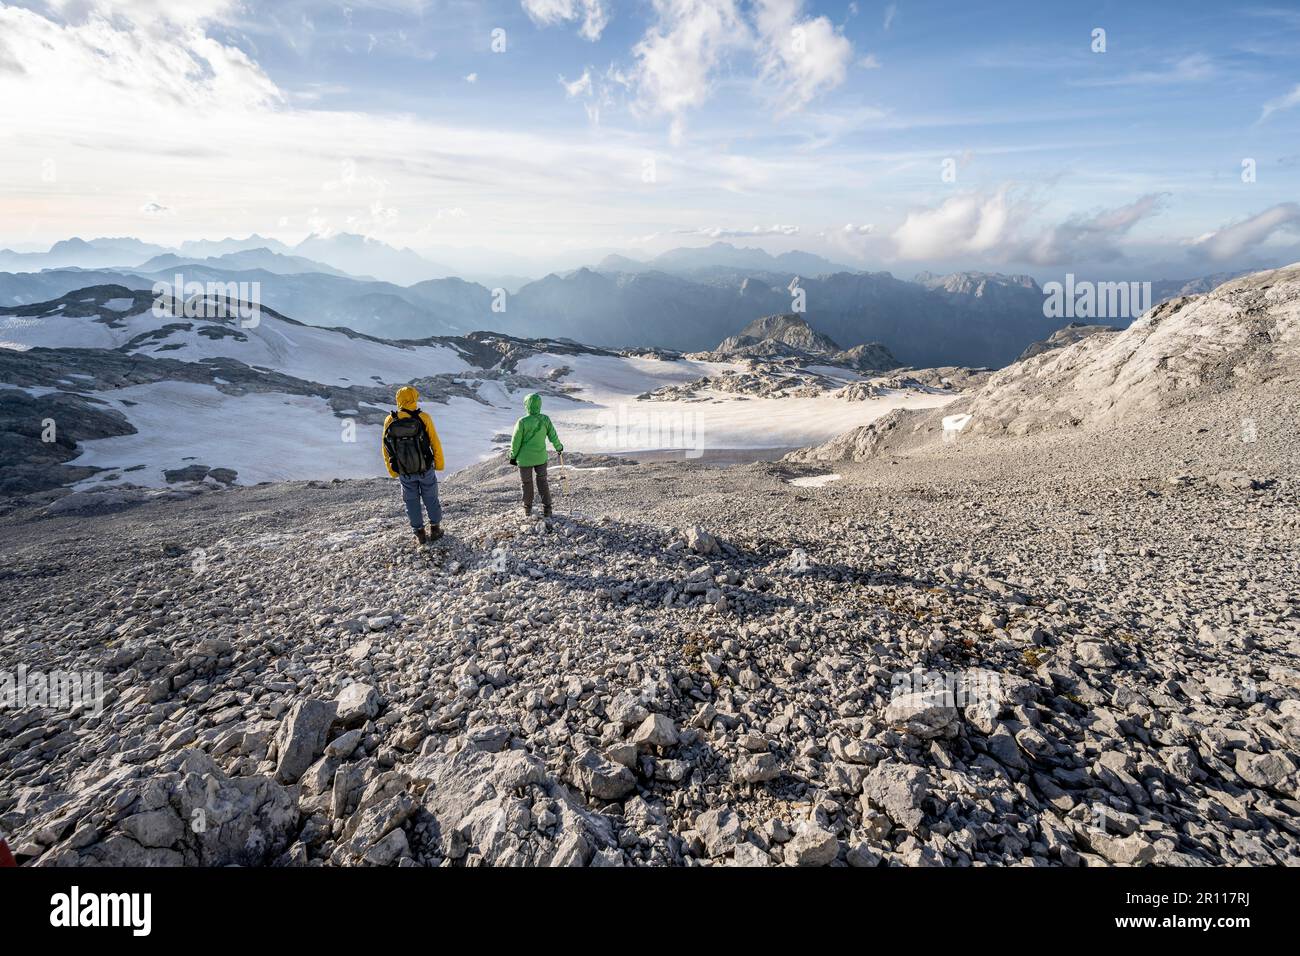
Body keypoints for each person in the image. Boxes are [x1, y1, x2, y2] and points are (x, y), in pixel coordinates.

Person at [382, 385, 445, 546]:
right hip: (425, 468)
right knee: (430, 497)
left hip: (404, 471)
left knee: (411, 501)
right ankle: (435, 529)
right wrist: (439, 463)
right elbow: (434, 443)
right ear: (414, 398)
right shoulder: (423, 417)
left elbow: (386, 448)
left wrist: (393, 471)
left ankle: (419, 533)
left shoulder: (390, 420)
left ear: (398, 400)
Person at [509, 392, 563, 517]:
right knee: (542, 481)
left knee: (526, 483)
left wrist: (512, 456)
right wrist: (558, 447)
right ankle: (547, 509)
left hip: (524, 459)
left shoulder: (522, 422)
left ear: (526, 405)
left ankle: (527, 509)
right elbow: (553, 436)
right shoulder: (545, 419)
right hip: (540, 457)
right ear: (539, 405)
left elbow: (515, 442)